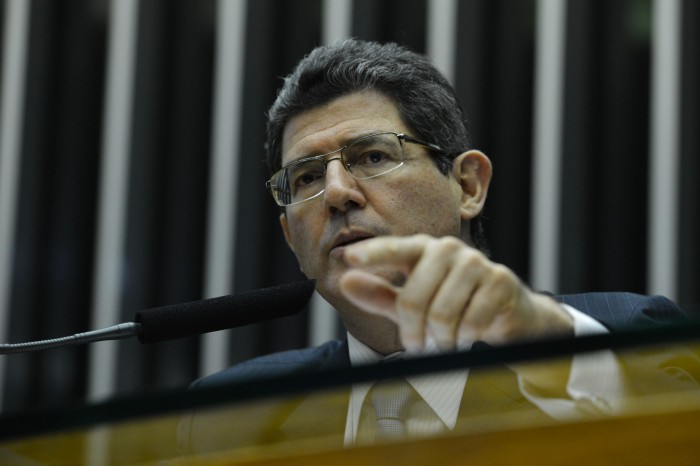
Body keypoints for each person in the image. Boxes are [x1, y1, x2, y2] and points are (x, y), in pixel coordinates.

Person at [178, 39, 698, 454]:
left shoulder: (625, 335)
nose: (336, 192)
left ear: (468, 185)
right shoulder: (230, 413)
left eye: (373, 156)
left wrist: (548, 346)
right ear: (292, 237)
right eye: (308, 176)